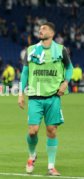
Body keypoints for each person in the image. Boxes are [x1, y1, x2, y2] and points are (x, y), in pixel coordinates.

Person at [18, 22, 73, 176]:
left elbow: (69, 68)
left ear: (52, 33)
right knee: (32, 131)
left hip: (53, 96)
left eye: (44, 28)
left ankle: (51, 166)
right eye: (40, 28)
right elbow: (25, 72)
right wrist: (21, 93)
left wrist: (65, 82)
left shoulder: (61, 50)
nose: (40, 30)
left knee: (51, 130)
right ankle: (32, 155)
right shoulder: (31, 50)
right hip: (35, 96)